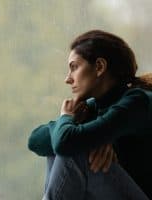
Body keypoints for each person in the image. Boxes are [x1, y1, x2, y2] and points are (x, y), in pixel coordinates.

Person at [28, 30, 152, 199]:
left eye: (74, 67)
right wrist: (71, 122)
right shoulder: (92, 107)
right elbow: (34, 141)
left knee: (72, 148)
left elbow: (67, 142)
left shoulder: (137, 101)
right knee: (60, 145)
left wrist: (67, 120)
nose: (68, 79)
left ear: (99, 67)